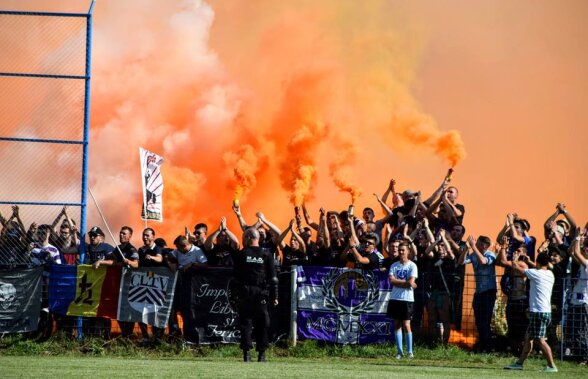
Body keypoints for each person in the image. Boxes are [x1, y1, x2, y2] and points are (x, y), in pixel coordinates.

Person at [504, 253, 558, 372]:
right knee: (528, 337)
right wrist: (530, 261)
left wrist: (515, 258)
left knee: (540, 340)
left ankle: (551, 365)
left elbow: (515, 267)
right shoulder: (550, 274)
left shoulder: (535, 273)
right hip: (544, 311)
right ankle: (519, 363)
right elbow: (538, 268)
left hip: (538, 312)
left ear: (538, 262)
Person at [232, 228, 278, 362]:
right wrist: (275, 296)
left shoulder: (242, 254)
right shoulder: (266, 254)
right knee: (262, 323)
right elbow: (273, 278)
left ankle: (247, 354)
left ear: (248, 237)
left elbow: (235, 277)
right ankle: (261, 355)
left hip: (245, 292)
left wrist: (234, 296)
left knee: (246, 322)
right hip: (261, 293)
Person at [93, 226, 139, 337]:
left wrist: (128, 261)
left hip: (129, 285)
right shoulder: (117, 249)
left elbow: (136, 264)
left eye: (124, 233)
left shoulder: (131, 249)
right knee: (118, 310)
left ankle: (128, 334)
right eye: (120, 233)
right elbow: (112, 261)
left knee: (127, 311)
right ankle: (125, 334)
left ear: (129, 236)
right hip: (117, 285)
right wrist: (101, 261)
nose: (121, 235)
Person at [459, 235, 496, 353]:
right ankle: (482, 345)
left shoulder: (490, 254)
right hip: (479, 292)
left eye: (479, 244)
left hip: (489, 292)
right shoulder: (473, 254)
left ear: (485, 246)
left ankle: (487, 347)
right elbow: (461, 262)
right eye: (476, 243)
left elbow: (484, 261)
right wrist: (466, 248)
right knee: (479, 320)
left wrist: (473, 247)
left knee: (485, 320)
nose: (477, 245)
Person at [387, 241, 418, 359]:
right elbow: (392, 281)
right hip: (395, 298)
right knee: (397, 325)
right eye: (399, 250)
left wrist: (407, 283)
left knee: (406, 324)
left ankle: (410, 352)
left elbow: (411, 281)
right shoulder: (394, 265)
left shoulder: (412, 266)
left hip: (407, 299)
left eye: (403, 250)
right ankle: (399, 352)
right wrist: (407, 283)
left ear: (408, 251)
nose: (400, 252)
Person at [137, 227, 164, 343]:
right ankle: (145, 336)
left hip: (156, 286)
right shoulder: (141, 250)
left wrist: (151, 257)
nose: (145, 237)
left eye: (147, 235)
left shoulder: (156, 248)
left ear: (153, 236)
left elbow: (160, 259)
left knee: (155, 311)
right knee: (140, 310)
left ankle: (156, 337)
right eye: (144, 235)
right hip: (142, 284)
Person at [567, 227, 588, 364]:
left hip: (584, 302)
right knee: (576, 329)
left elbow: (576, 251)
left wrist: (578, 238)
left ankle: (585, 357)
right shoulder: (583, 264)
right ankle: (579, 355)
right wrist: (576, 239)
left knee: (584, 330)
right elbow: (571, 252)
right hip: (576, 301)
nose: (585, 249)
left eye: (587, 248)